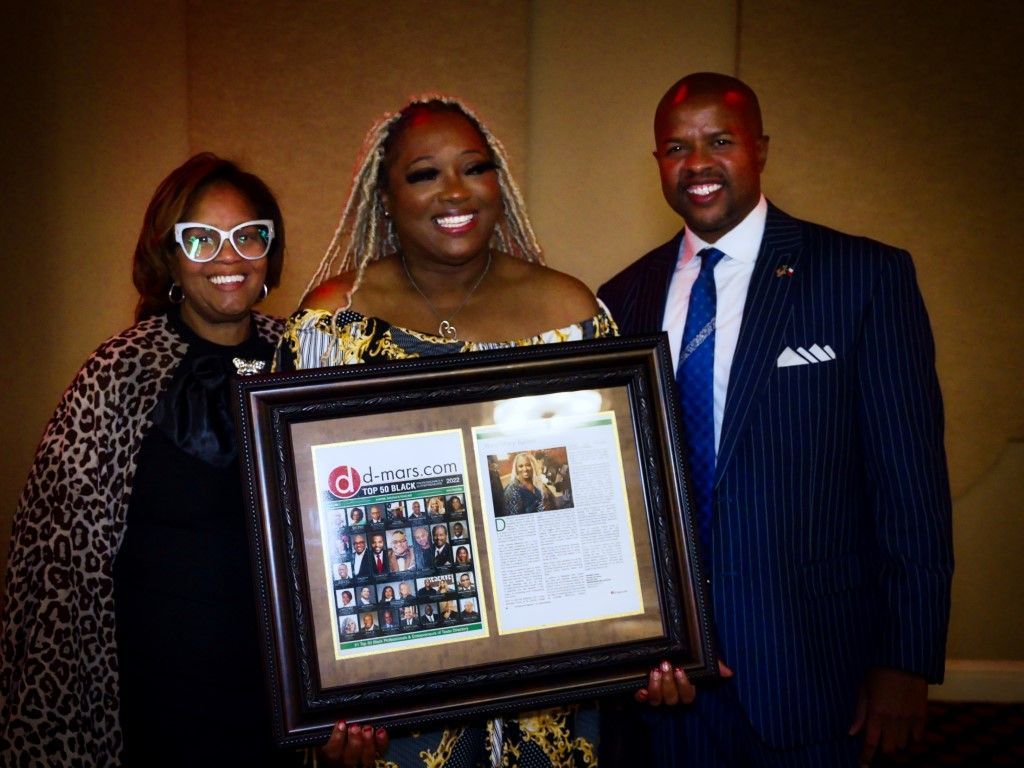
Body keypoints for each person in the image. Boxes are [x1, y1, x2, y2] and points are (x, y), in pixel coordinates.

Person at [597, 72, 953, 766]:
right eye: (676, 148)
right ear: (658, 165)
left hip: (815, 670)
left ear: (760, 149)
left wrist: (906, 662)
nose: (697, 164)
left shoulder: (861, 277)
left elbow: (911, 487)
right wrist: (636, 641)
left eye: (719, 141)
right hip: (671, 686)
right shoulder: (624, 296)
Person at [276, 95, 615, 768]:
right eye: (424, 174)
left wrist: (657, 636)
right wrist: (319, 698)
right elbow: (296, 534)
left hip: (551, 684)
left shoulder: (575, 315)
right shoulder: (329, 328)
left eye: (474, 168)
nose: (454, 191)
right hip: (390, 698)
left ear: (499, 184)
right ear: (385, 198)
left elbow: (619, 506)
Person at [0, 153, 295, 766]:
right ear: (169, 256)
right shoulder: (114, 377)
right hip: (156, 703)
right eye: (202, 240)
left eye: (248, 235)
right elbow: (55, 566)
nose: (229, 257)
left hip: (278, 698)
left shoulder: (302, 361)